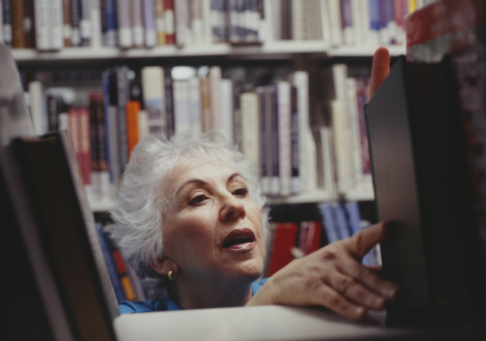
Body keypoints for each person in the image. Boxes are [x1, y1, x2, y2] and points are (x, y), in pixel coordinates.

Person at [111, 47, 397, 320]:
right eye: (198, 198)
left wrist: (399, 169)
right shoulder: (127, 325)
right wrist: (262, 305)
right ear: (160, 255)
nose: (235, 204)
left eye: (239, 190)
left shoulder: (308, 293)